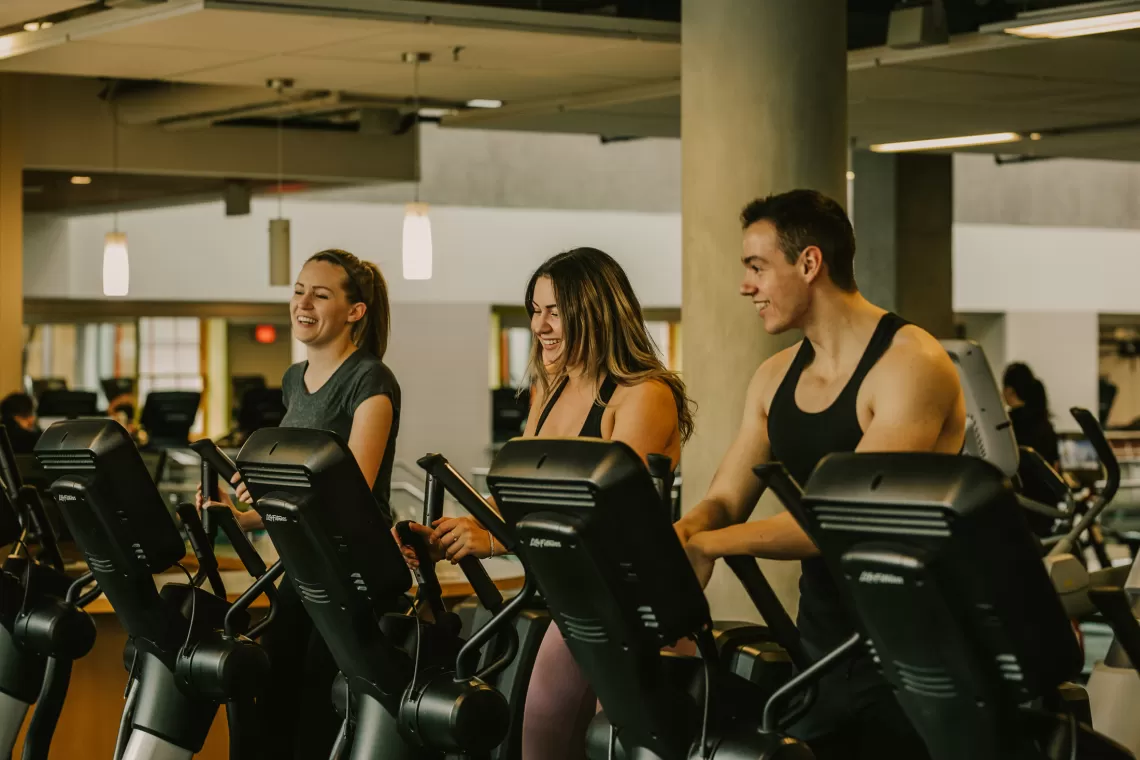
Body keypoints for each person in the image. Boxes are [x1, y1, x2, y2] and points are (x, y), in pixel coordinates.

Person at [675, 189, 965, 760]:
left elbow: (843, 520)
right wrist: (683, 535)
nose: (745, 286)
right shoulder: (774, 377)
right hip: (825, 639)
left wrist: (710, 543)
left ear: (809, 264)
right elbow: (726, 500)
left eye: (757, 268)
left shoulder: (911, 363)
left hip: (912, 647)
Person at [401, 247, 694, 760]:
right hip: (574, 600)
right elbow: (523, 497)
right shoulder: (547, 391)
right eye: (535, 310)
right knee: (537, 737)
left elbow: (608, 517)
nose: (541, 325)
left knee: (620, 747)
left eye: (555, 310)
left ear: (597, 309)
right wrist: (458, 529)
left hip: (636, 607)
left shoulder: (642, 395)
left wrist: (493, 537)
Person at [196, 248, 400, 759]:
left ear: (355, 312)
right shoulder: (293, 380)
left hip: (353, 571)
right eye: (299, 290)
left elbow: (351, 496)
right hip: (302, 566)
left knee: (314, 706)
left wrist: (276, 499)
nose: (303, 302)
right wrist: (240, 510)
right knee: (271, 695)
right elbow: (290, 492)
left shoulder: (370, 381)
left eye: (321, 293)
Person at [1002, 361, 1059, 468]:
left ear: (1009, 390)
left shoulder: (1007, 424)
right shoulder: (1045, 423)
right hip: (1044, 484)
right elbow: (1055, 465)